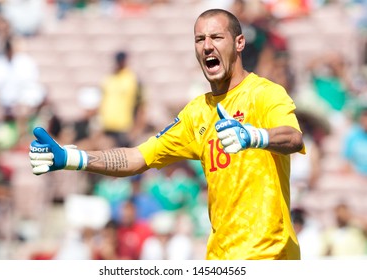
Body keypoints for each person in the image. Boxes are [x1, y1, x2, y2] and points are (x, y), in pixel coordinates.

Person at [29, 8, 305, 260]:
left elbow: (293, 138)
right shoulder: (196, 113)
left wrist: (254, 136)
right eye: (200, 39)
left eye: (217, 37)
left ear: (239, 43)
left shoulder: (265, 93)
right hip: (221, 262)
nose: (207, 45)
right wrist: (71, 157)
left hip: (272, 259)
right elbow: (137, 158)